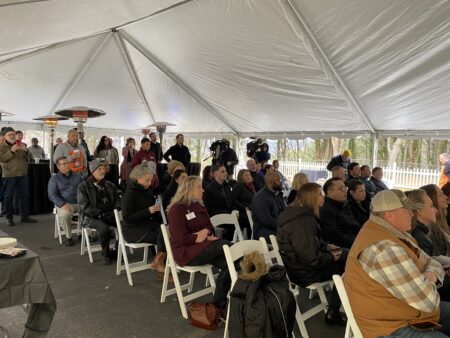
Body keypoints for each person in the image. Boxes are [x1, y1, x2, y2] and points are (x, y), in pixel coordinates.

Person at [344, 189, 449, 338]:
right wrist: (431, 276)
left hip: (405, 312)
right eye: (407, 210)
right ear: (389, 214)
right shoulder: (384, 248)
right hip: (390, 327)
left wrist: (427, 276)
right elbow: (428, 301)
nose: (412, 214)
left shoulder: (394, 233)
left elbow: (431, 261)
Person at [277, 183, 347, 326]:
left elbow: (307, 246)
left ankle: (334, 309)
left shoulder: (299, 214)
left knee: (346, 254)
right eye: (320, 194)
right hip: (304, 272)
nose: (323, 197)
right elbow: (312, 259)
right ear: (311, 198)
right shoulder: (303, 220)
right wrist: (333, 256)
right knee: (349, 263)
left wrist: (326, 246)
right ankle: (333, 311)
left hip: (299, 266)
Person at [168, 176, 231, 310]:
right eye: (199, 187)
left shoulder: (198, 205)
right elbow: (182, 239)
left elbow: (210, 227)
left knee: (232, 264)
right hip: (186, 252)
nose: (202, 190)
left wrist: (205, 233)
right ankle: (248, 256)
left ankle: (217, 306)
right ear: (188, 189)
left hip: (204, 246)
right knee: (225, 246)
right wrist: (200, 236)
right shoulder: (177, 209)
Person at [121, 164, 168, 280]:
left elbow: (151, 212)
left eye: (150, 180)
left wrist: (157, 209)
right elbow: (127, 217)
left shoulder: (147, 190)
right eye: (147, 180)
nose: (149, 183)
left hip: (146, 225)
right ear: (138, 178)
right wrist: (148, 211)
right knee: (164, 237)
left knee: (167, 231)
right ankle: (161, 267)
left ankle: (159, 264)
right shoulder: (130, 193)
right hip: (132, 229)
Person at [407, 189, 450, 301]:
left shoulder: (423, 233)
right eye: (431, 206)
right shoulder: (419, 237)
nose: (435, 210)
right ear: (420, 211)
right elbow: (426, 271)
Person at [78, 160, 121, 265]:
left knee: (124, 225)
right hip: (91, 216)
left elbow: (118, 200)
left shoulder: (109, 185)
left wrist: (116, 209)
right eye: (100, 169)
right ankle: (105, 252)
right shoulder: (83, 187)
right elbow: (85, 206)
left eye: (104, 169)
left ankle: (116, 249)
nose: (103, 171)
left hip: (109, 214)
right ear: (92, 171)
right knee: (104, 228)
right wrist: (99, 214)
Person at [0, 127, 37, 226]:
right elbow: (2, 159)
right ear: (5, 136)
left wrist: (26, 151)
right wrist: (11, 151)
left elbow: (31, 158)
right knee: (9, 198)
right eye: (10, 134)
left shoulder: (22, 145)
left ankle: (25, 217)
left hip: (23, 175)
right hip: (9, 175)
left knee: (24, 196)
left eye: (13, 134)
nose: (12, 136)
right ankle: (9, 218)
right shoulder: (1, 147)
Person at [48, 156, 83, 246]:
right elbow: (52, 195)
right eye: (64, 164)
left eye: (68, 163)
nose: (67, 165)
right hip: (64, 204)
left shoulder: (78, 176)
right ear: (58, 167)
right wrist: (63, 204)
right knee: (66, 214)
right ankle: (69, 237)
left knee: (91, 210)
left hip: (79, 203)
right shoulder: (54, 179)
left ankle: (85, 234)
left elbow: (84, 189)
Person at [320, 177, 360, 248]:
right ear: (329, 192)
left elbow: (355, 226)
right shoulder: (326, 210)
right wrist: (358, 244)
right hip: (345, 248)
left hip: (357, 241)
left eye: (345, 188)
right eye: (341, 189)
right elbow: (335, 236)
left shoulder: (344, 205)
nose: (345, 191)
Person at [203, 164, 236, 241]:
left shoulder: (226, 186)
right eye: (222, 171)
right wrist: (228, 214)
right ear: (215, 173)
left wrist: (234, 210)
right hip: (218, 218)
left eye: (226, 171)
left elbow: (231, 201)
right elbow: (210, 209)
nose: (226, 173)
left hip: (230, 216)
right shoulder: (209, 189)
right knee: (232, 226)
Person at [251, 171, 285, 240]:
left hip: (276, 227)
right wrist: (283, 225)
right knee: (293, 235)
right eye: (278, 180)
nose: (280, 182)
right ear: (270, 182)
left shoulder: (276, 193)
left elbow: (284, 210)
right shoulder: (260, 197)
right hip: (263, 232)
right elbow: (266, 220)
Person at [231, 169, 255, 238]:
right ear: (241, 177)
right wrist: (244, 207)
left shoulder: (251, 186)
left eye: (249, 175)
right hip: (242, 212)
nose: (248, 177)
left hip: (250, 210)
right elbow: (233, 199)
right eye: (245, 175)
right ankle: (252, 238)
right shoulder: (238, 185)